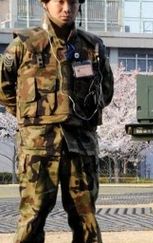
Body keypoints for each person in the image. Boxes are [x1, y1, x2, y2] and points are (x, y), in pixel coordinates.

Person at [0, 0, 113, 242]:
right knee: (32, 218)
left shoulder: (92, 47)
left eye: (72, 2)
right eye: (59, 2)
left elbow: (106, 90)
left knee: (86, 222)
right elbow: (4, 89)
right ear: (45, 4)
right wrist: (32, 119)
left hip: (80, 148)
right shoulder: (23, 46)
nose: (66, 8)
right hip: (37, 150)